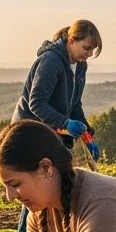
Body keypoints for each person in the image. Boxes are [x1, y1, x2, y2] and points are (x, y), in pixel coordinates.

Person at [11, 20, 102, 162]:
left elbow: (75, 104)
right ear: (71, 41)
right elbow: (36, 103)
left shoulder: (80, 66)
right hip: (28, 133)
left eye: (92, 50)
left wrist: (87, 134)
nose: (90, 54)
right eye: (86, 48)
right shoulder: (51, 61)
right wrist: (66, 123)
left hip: (51, 133)